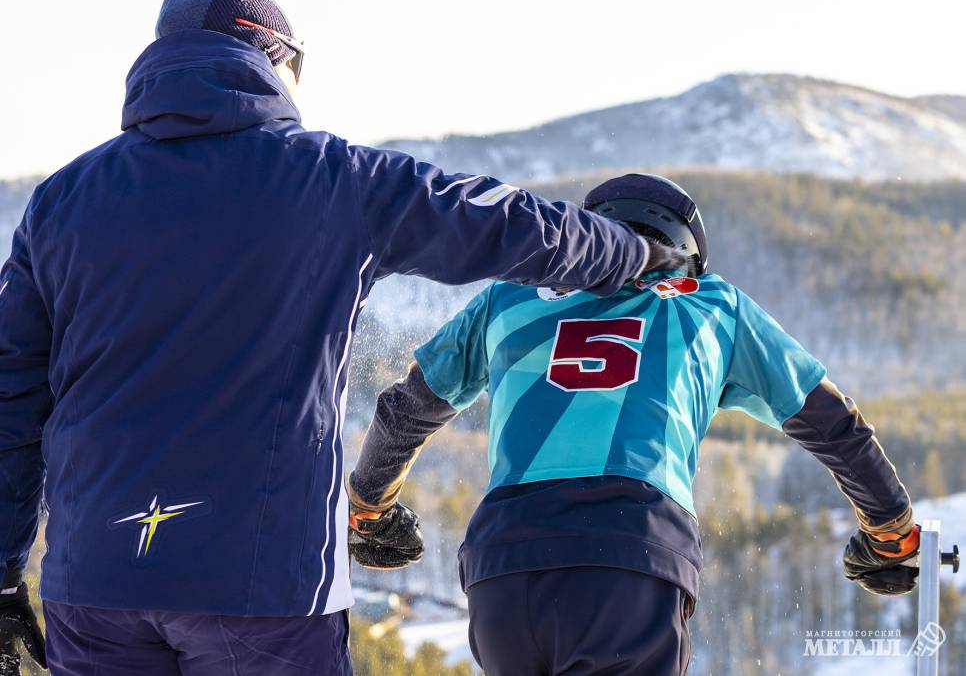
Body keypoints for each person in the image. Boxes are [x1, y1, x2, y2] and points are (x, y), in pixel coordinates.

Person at [0, 0, 685, 676]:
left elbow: (10, 405)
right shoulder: (334, 179)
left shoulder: (60, 204)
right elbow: (501, 223)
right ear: (274, 57)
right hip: (266, 585)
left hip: (99, 583)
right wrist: (630, 253)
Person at [348, 173, 920, 676]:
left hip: (505, 567)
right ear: (689, 253)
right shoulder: (712, 304)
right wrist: (890, 533)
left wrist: (370, 513)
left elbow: (404, 409)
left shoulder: (507, 298)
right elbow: (834, 424)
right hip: (631, 554)